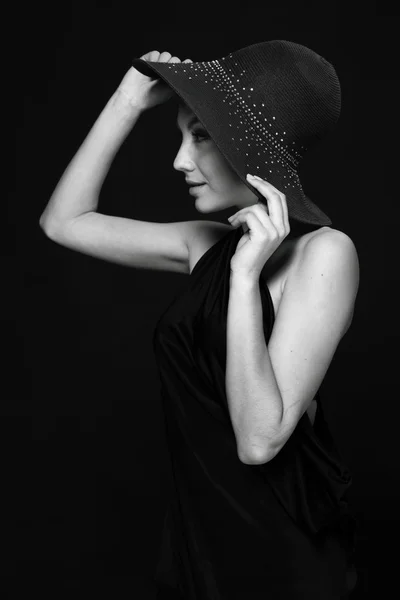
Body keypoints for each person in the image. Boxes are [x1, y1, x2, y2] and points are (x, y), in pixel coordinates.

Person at [40, 41, 360, 599]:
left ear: (255, 148)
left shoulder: (326, 254)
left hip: (280, 565)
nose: (179, 161)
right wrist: (128, 99)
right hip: (200, 548)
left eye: (202, 135)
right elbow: (64, 223)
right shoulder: (205, 244)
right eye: (182, 135)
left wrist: (243, 279)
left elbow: (259, 441)